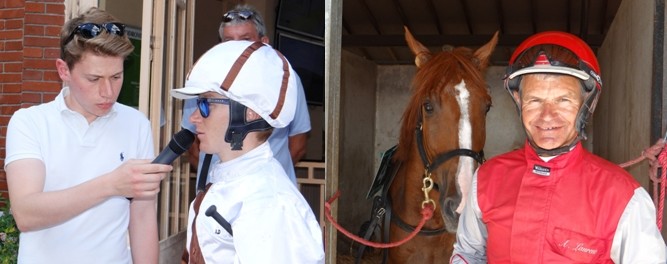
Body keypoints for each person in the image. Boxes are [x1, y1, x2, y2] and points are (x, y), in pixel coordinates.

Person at [451, 31, 667, 263]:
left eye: (563, 100)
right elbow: (469, 252)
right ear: (519, 102)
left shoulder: (624, 198)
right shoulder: (487, 179)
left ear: (587, 104)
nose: (547, 116)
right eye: (535, 100)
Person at [4, 8, 172, 263]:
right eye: (94, 79)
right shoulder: (29, 122)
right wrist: (111, 185)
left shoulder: (136, 123)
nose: (108, 92)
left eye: (116, 77)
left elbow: (143, 216)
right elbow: (26, 214)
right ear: (63, 71)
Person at [175, 40, 324, 263]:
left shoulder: (269, 203)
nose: (194, 117)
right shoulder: (234, 180)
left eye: (206, 104)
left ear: (250, 113)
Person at [182, 4, 311, 185]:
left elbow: (298, 145)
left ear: (264, 43)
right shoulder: (202, 77)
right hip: (214, 190)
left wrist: (264, 177)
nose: (236, 48)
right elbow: (193, 145)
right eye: (228, 41)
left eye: (245, 40)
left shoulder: (284, 79)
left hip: (267, 191)